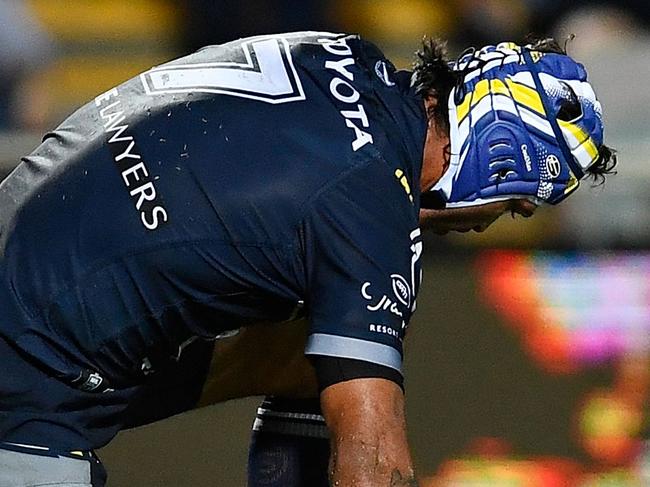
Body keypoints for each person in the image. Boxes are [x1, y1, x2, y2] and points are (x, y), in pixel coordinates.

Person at [0, 30, 614, 486]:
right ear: (496, 157)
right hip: (28, 381)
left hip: (24, 260)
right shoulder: (370, 208)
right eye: (510, 207)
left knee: (306, 356)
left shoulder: (343, 56)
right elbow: (376, 467)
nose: (489, 223)